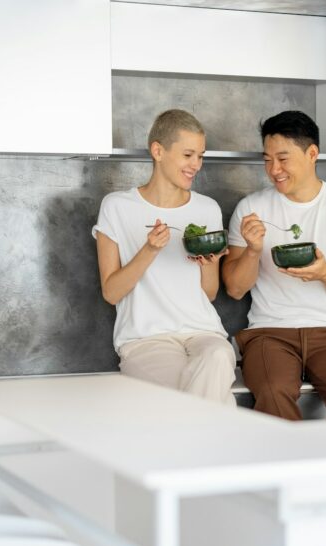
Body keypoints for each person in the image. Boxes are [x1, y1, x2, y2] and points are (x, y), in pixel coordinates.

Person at [222, 110, 326, 420]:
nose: (274, 170)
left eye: (282, 158)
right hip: (269, 333)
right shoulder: (251, 208)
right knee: (273, 394)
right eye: (267, 160)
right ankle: (289, 468)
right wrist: (253, 251)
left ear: (312, 154)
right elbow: (236, 288)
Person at [92, 109, 236, 405]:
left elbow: (208, 294)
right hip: (145, 339)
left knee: (220, 355)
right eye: (188, 155)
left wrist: (209, 265)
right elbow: (111, 291)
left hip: (203, 332)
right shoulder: (117, 207)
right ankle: (216, 440)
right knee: (202, 398)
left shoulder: (207, 209)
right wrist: (150, 250)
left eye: (200, 155)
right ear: (158, 151)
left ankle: (192, 443)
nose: (196, 165)